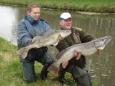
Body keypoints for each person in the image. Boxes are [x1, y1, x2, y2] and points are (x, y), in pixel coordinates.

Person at [17, 4, 54, 83]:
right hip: (28, 54)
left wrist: (54, 41)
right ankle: (29, 71)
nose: (38, 15)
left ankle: (43, 75)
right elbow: (23, 38)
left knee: (51, 61)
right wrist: (32, 41)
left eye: (39, 13)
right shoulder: (22, 24)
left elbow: (51, 34)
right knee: (30, 80)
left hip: (41, 51)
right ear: (28, 13)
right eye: (35, 13)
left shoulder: (43, 23)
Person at [56, 12, 94, 86]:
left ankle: (62, 77)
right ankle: (60, 75)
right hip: (68, 63)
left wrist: (95, 42)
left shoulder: (76, 31)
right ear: (60, 22)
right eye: (66, 20)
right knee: (84, 77)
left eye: (70, 20)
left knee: (88, 78)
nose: (68, 22)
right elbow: (66, 50)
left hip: (80, 62)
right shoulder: (58, 36)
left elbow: (87, 37)